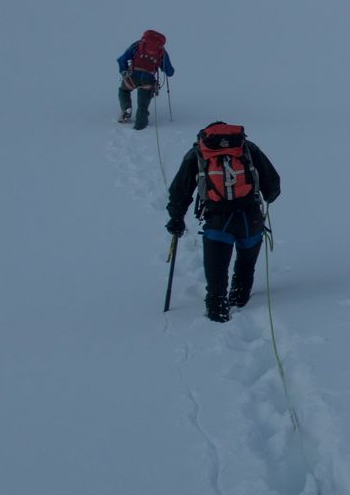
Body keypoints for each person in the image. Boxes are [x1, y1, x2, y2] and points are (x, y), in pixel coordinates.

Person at [166, 122, 281, 322]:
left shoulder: (199, 152)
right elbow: (273, 185)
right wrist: (267, 195)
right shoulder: (247, 148)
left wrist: (176, 218)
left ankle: (217, 314)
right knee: (246, 267)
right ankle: (240, 301)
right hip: (250, 218)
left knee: (216, 279)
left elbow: (180, 190)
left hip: (217, 221)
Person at [117, 30, 174, 130]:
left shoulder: (138, 45)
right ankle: (140, 126)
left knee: (124, 90)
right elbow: (169, 72)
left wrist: (123, 70)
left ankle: (126, 109)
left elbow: (122, 59)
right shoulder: (161, 51)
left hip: (132, 77)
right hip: (148, 80)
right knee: (142, 105)